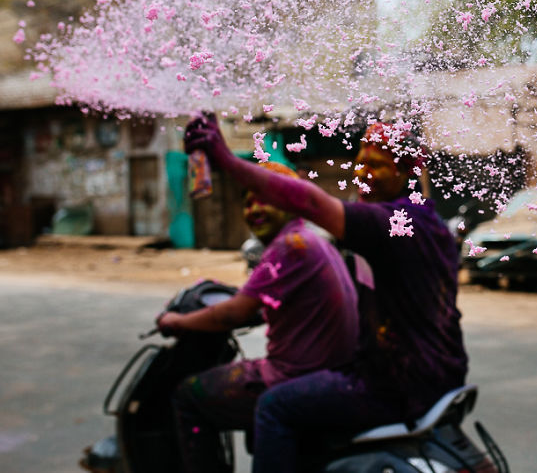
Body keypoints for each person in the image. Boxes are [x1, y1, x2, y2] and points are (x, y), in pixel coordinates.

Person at [184, 115, 468, 473]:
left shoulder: (395, 223)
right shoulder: (419, 222)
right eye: (360, 163)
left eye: (377, 165)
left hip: (398, 386)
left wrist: (225, 161)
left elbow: (314, 204)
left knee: (274, 406)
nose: (363, 173)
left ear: (408, 172)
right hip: (427, 374)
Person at [156, 161, 359, 473]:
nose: (254, 209)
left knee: (188, 397)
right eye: (248, 202)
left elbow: (233, 313)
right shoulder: (316, 241)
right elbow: (272, 305)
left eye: (265, 198)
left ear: (292, 200)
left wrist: (176, 322)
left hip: (294, 376)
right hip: (328, 372)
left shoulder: (290, 245)